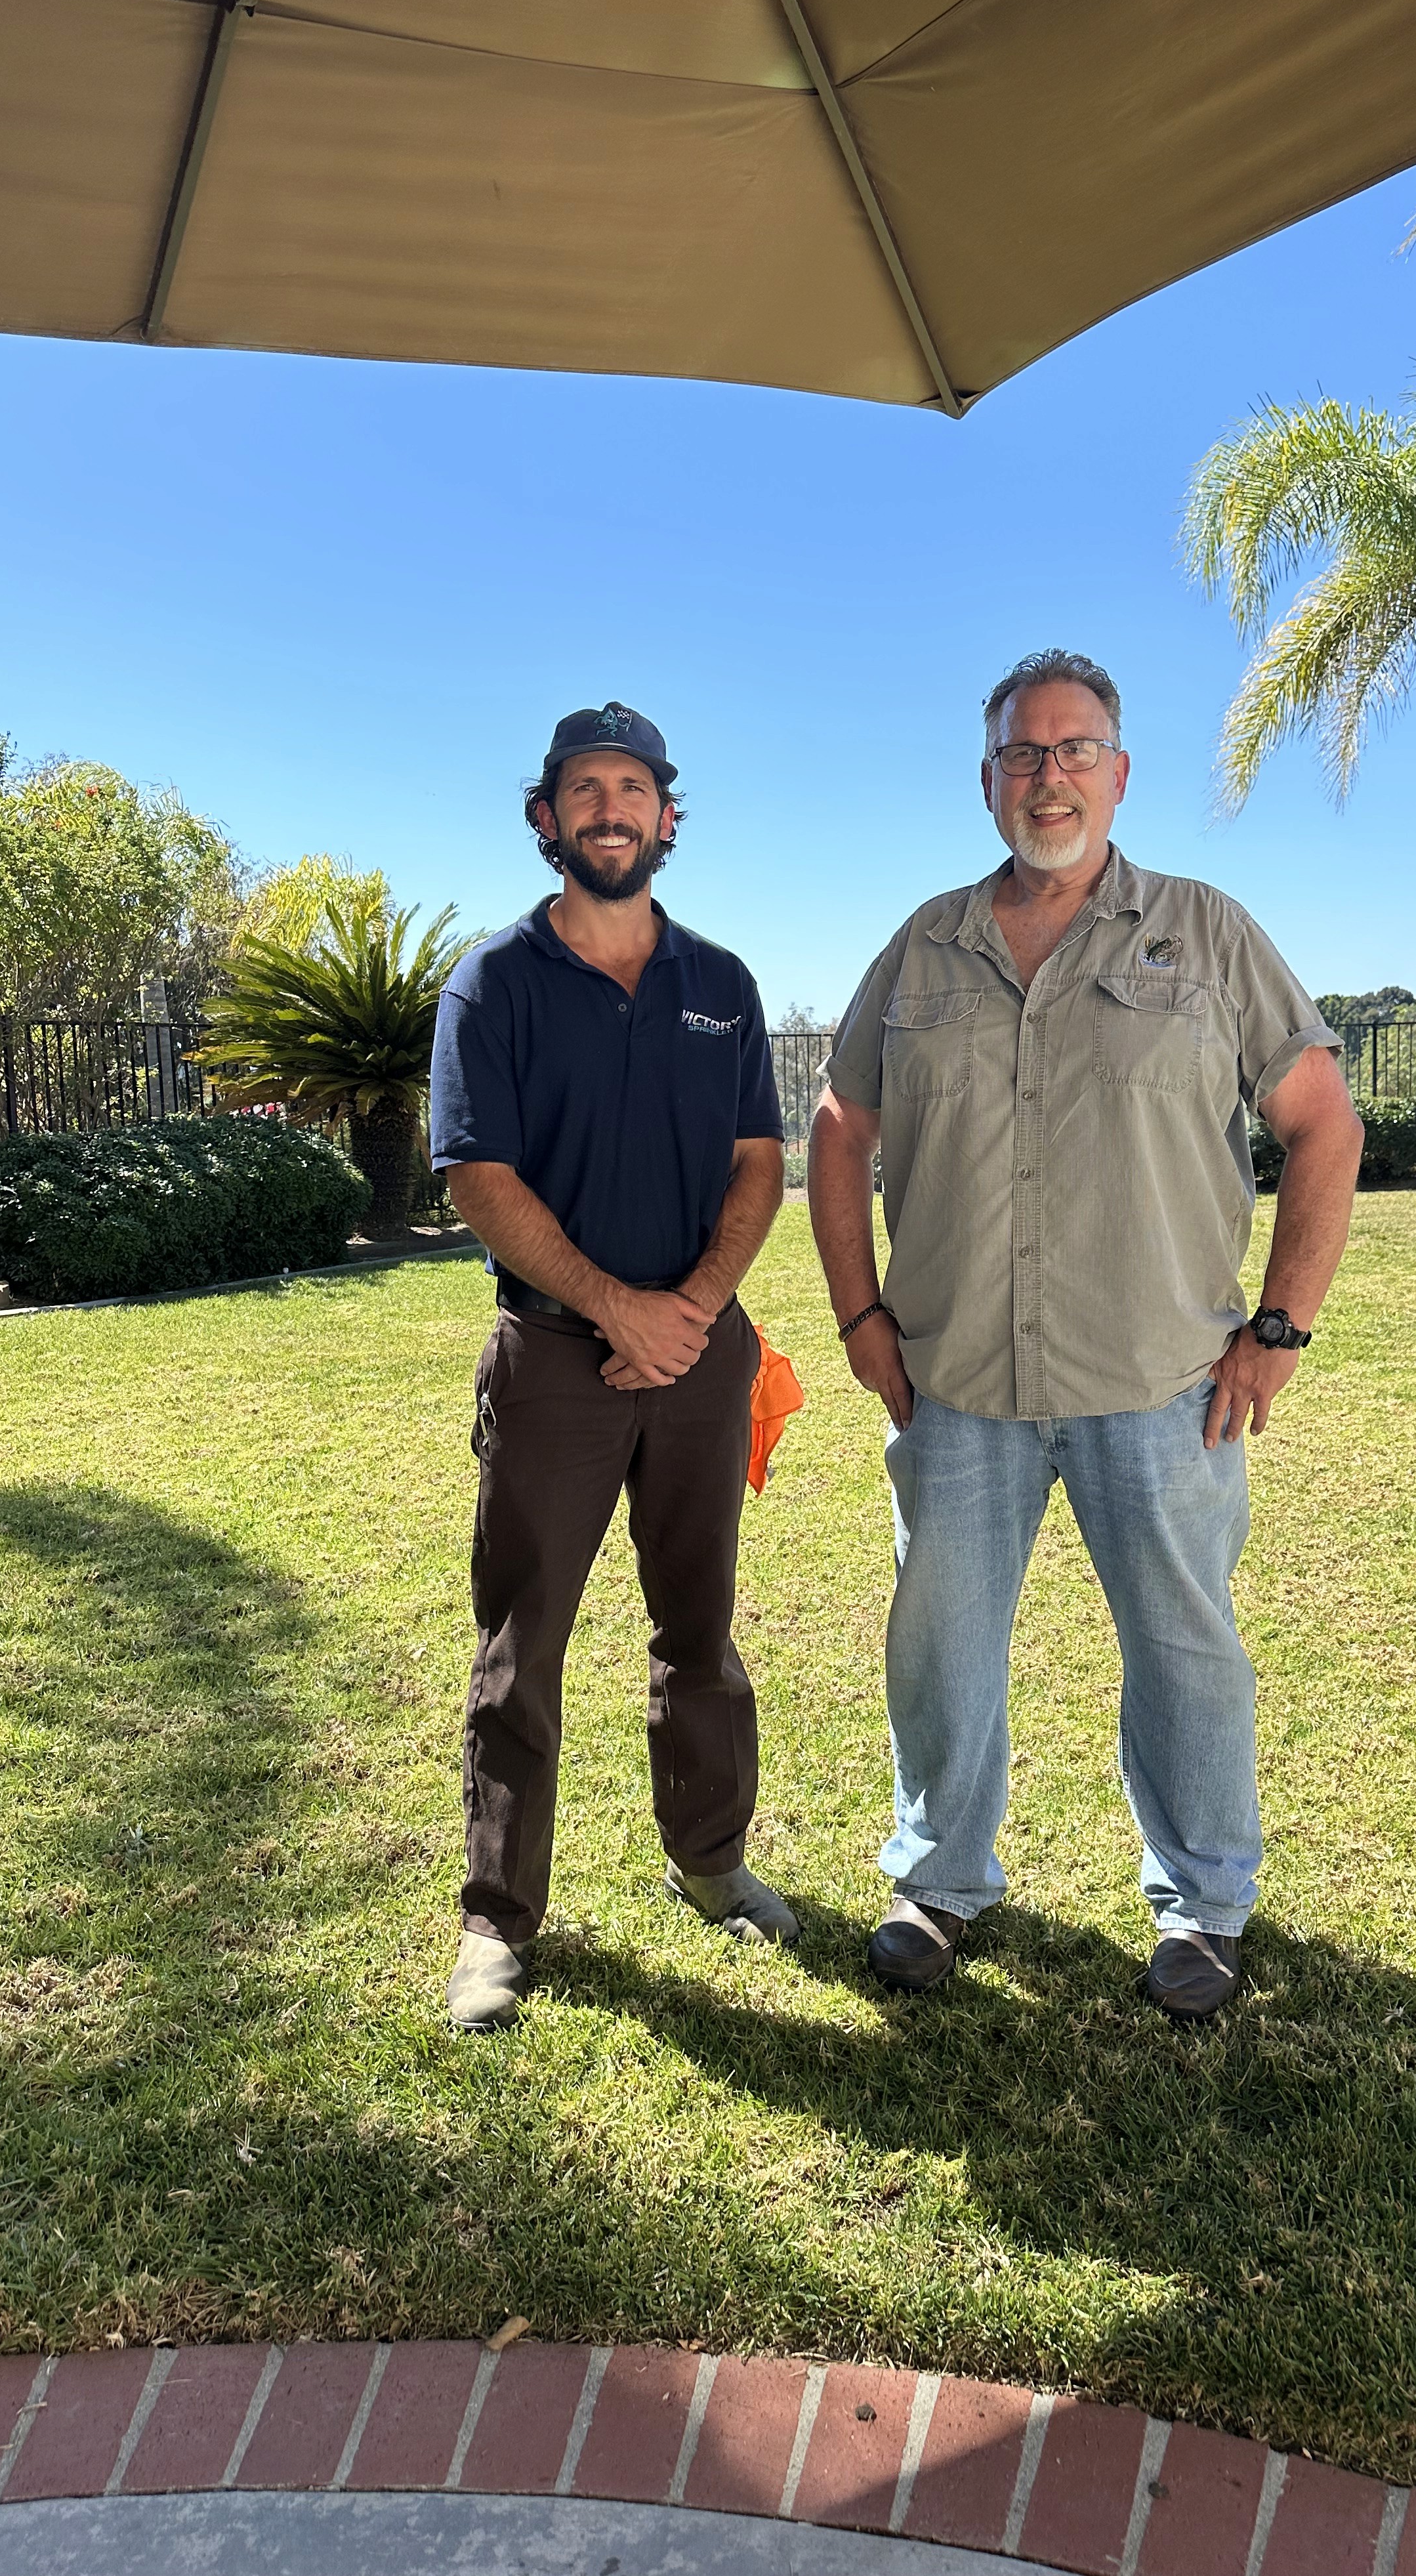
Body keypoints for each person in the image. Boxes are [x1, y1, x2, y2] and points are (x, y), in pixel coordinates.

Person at [808, 650, 1363, 2023]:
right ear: (988, 778)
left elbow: (1323, 1126)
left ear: (1119, 772)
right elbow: (838, 1128)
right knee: (940, 1646)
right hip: (957, 1382)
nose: (1047, 775)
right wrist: (858, 1314)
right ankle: (937, 1882)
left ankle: (1204, 1908)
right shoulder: (925, 945)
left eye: (1074, 750)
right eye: (1022, 753)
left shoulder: (1203, 933)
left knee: (1184, 1645)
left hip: (1160, 1383)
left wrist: (1279, 1329)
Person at [431, 702, 795, 2033]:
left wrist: (694, 1305)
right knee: (523, 1644)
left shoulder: (724, 989)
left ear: (666, 818)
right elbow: (479, 1174)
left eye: (632, 788)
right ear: (548, 819)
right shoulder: (496, 983)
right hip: (554, 1361)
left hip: (701, 1356)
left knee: (698, 1625)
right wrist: (612, 1309)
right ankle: (494, 1926)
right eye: (585, 789)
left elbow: (761, 1162)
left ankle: (711, 1863)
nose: (609, 809)